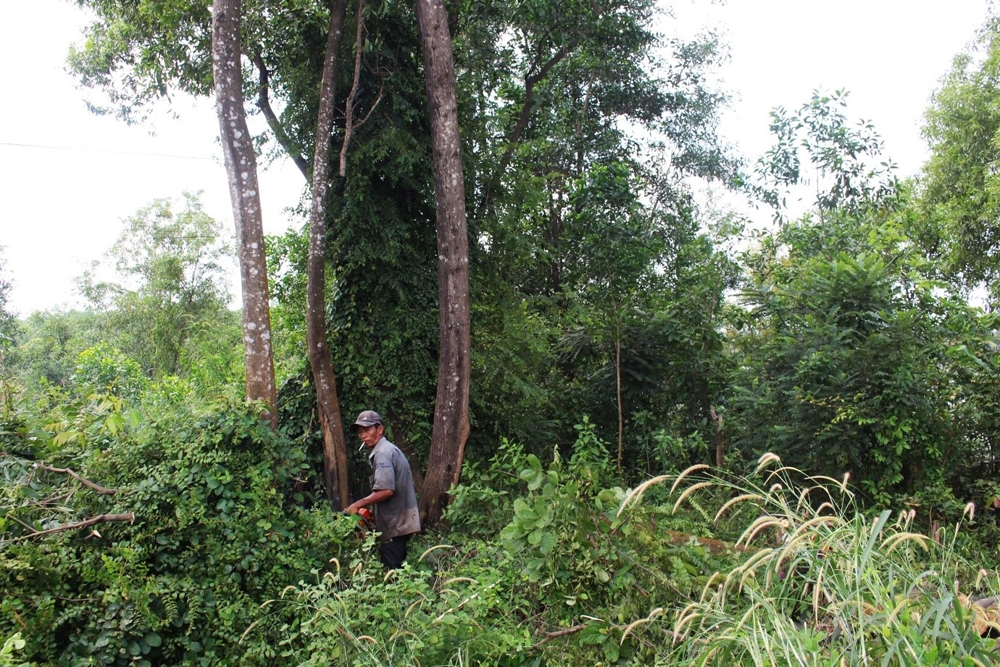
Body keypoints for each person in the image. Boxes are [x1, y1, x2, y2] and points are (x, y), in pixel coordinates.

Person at [344, 410, 421, 569]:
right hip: (398, 523)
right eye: (360, 432)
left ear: (380, 429)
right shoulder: (387, 450)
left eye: (367, 430)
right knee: (396, 569)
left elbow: (386, 490)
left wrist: (358, 505)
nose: (363, 435)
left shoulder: (383, 453)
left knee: (392, 572)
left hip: (396, 525)